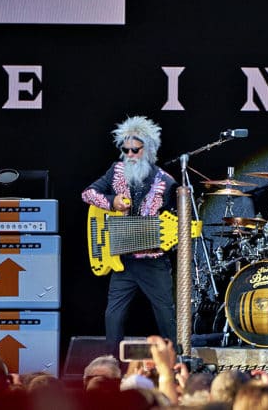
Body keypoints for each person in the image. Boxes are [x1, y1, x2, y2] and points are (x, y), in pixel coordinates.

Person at [82, 116, 179, 356]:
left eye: (135, 149)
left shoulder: (166, 182)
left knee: (166, 316)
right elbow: (87, 194)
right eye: (125, 150)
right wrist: (111, 201)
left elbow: (173, 223)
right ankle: (112, 363)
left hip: (153, 261)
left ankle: (177, 362)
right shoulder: (115, 171)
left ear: (149, 149)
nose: (130, 154)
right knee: (113, 316)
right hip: (122, 259)